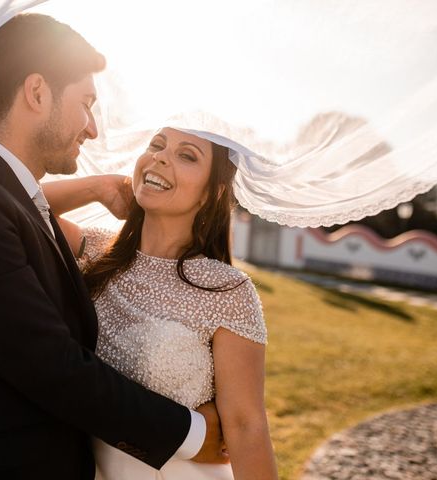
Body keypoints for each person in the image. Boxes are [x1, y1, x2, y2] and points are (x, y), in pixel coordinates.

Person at [0, 14, 224, 479]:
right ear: (37, 92)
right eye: (86, 104)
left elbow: (27, 216)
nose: (91, 129)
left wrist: (92, 189)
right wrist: (192, 435)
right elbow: (51, 366)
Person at [43, 127, 279, 479]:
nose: (161, 157)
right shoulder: (92, 252)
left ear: (211, 193)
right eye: (156, 145)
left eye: (187, 155)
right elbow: (13, 201)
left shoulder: (227, 290)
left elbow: (247, 427)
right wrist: (97, 188)